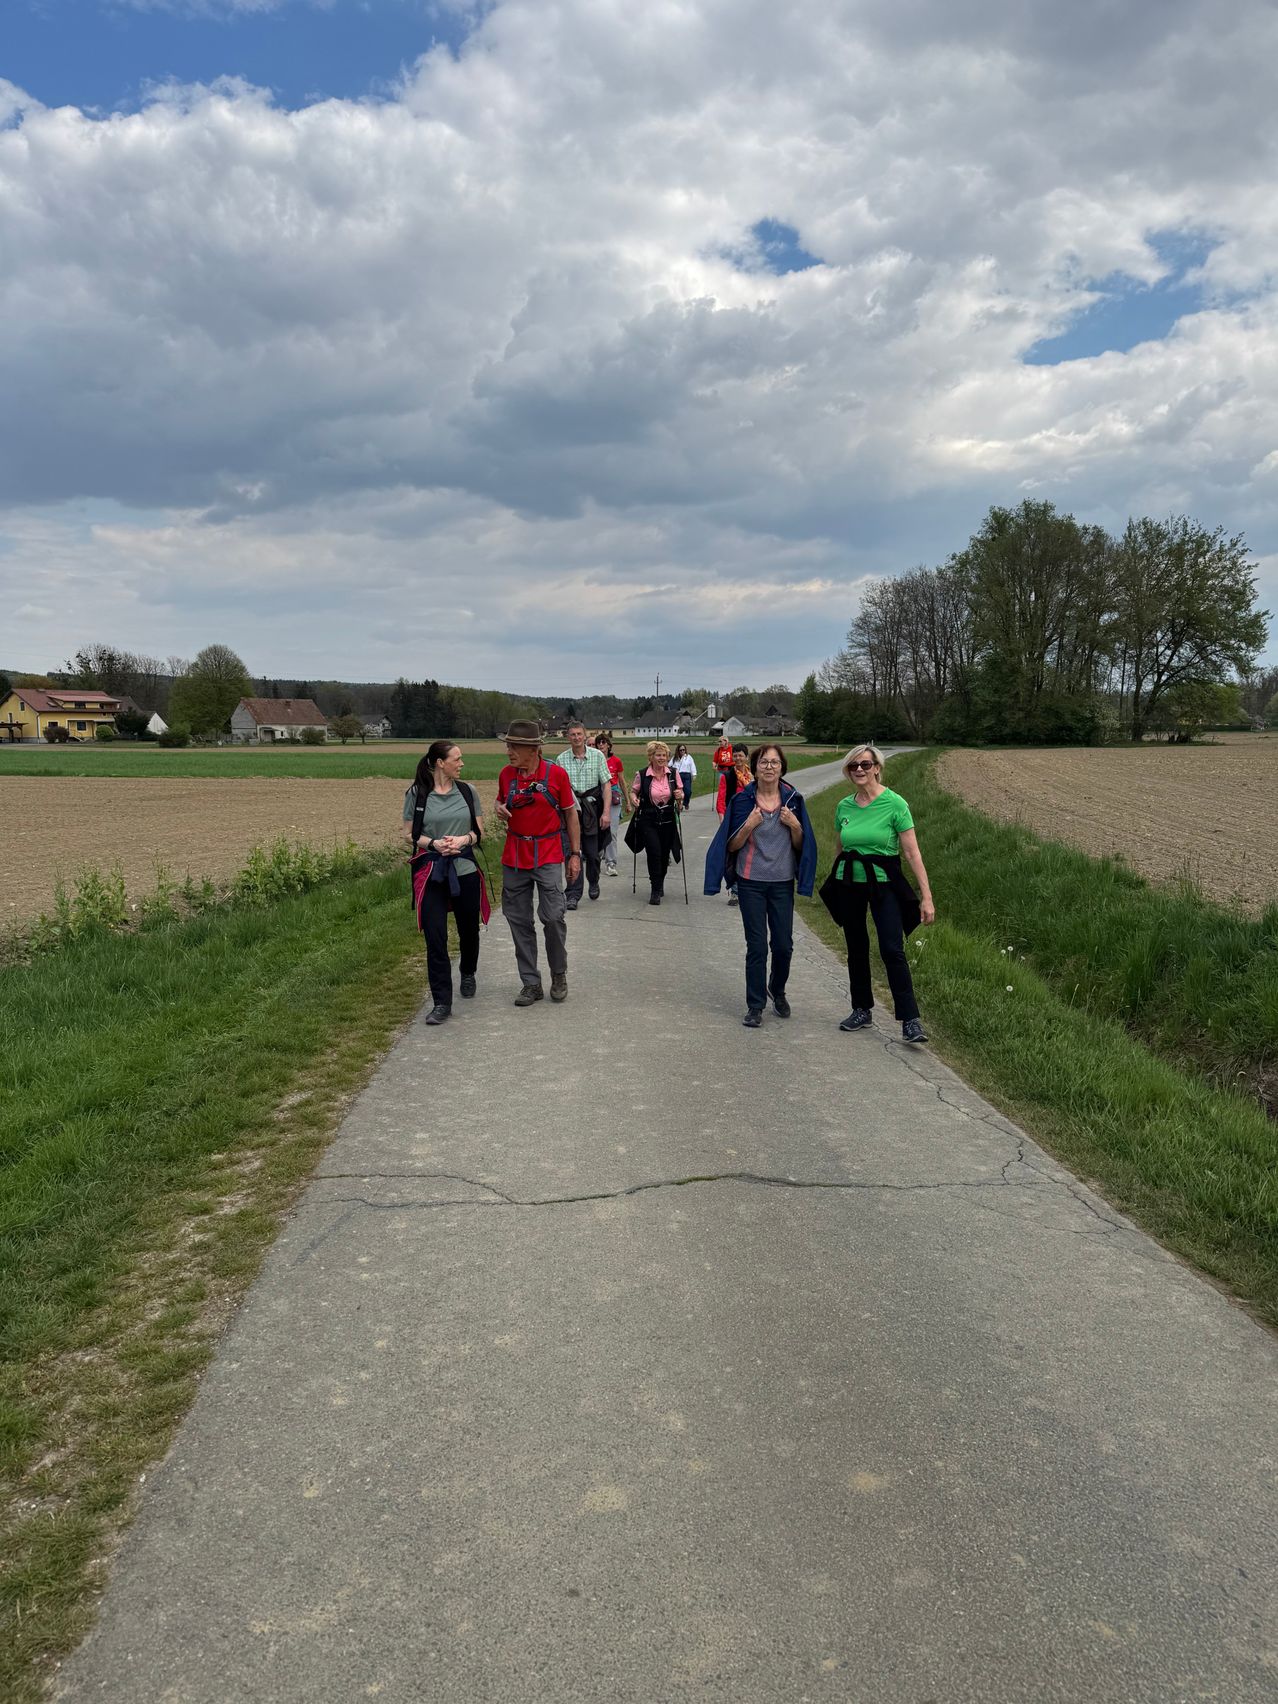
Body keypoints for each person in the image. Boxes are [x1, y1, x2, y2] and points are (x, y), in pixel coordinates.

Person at [819, 743, 935, 1044]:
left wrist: (927, 896)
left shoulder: (895, 804)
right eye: (853, 766)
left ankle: (910, 1020)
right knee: (856, 946)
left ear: (877, 768)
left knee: (891, 949)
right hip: (850, 883)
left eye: (865, 765)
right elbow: (840, 847)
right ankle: (861, 1009)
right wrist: (835, 881)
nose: (859, 770)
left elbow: (912, 853)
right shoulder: (844, 806)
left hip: (884, 883)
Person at [705, 744, 817, 1027]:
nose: (769, 767)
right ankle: (755, 1005)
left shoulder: (793, 801)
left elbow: (803, 846)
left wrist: (794, 826)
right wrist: (749, 824)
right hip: (751, 882)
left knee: (783, 946)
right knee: (756, 946)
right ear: (754, 768)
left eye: (774, 762)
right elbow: (731, 844)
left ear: (782, 768)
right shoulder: (743, 802)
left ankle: (776, 990)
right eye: (764, 762)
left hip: (781, 882)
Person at [494, 720, 581, 1006]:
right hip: (515, 856)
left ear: (532, 749)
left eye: (513, 746)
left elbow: (570, 815)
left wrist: (575, 854)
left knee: (553, 916)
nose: (509, 751)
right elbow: (500, 803)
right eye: (508, 746)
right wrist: (499, 809)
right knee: (518, 920)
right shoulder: (506, 775)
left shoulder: (556, 775)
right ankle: (531, 983)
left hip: (547, 853)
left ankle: (559, 973)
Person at [403, 740, 488, 1025]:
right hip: (431, 873)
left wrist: (465, 839)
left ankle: (467, 971)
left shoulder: (468, 791)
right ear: (440, 762)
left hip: (464, 868)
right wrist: (435, 844)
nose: (462, 763)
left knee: (468, 930)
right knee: (435, 937)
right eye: (457, 759)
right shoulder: (417, 794)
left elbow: (479, 831)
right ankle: (441, 1002)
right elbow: (410, 835)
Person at [553, 722, 613, 907]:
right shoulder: (561, 760)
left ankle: (593, 881)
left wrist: (606, 813)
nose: (576, 738)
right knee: (572, 853)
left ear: (585, 735)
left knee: (592, 854)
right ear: (568, 737)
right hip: (570, 811)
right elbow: (556, 790)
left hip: (592, 811)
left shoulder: (597, 756)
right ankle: (572, 894)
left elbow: (606, 786)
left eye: (579, 734)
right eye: (572, 734)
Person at [629, 739, 686, 905]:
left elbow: (680, 795)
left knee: (663, 854)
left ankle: (660, 882)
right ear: (651, 757)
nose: (662, 758)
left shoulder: (673, 774)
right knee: (653, 852)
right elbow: (634, 792)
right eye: (658, 755)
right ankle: (655, 889)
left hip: (667, 818)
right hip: (648, 818)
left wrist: (680, 797)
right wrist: (634, 800)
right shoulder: (642, 774)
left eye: (664, 755)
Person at [714, 744, 753, 904]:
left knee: (750, 854)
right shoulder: (727, 776)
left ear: (746, 757)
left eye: (740, 755)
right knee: (735, 855)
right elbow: (721, 799)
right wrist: (723, 819)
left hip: (752, 819)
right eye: (735, 756)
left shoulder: (753, 777)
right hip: (734, 820)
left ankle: (749, 888)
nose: (737, 758)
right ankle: (735, 891)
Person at [595, 732, 628, 876]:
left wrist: (627, 801)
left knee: (612, 831)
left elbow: (622, 781)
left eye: (604, 742)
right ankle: (597, 855)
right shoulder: (594, 760)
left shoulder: (616, 761)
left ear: (609, 745)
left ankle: (611, 863)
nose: (601, 745)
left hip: (614, 797)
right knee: (597, 830)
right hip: (597, 797)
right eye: (599, 743)